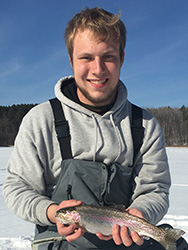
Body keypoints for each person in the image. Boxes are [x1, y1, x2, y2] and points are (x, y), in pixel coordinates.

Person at [2, 7, 187, 250]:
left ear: (121, 58)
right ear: (71, 60)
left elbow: (155, 190)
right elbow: (18, 188)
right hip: (59, 241)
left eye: (108, 56)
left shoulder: (145, 125)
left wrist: (140, 212)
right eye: (86, 57)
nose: (98, 69)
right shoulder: (41, 120)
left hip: (127, 239)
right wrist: (51, 211)